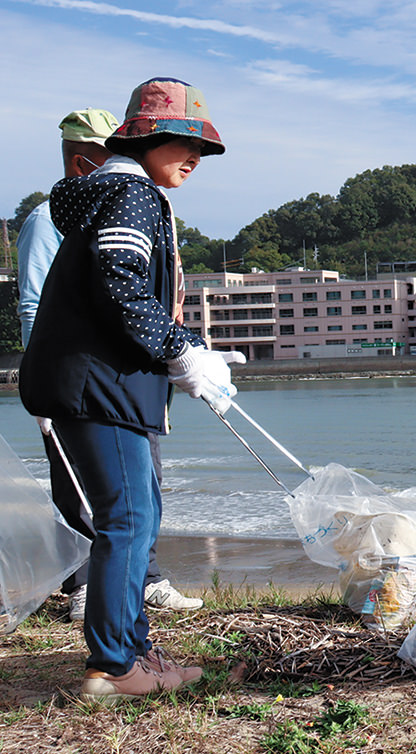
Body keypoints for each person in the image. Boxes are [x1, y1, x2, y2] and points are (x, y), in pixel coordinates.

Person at [20, 77, 243, 703]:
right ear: (142, 140)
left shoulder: (112, 193)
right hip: (101, 386)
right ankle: (116, 665)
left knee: (136, 517)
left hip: (95, 383)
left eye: (201, 148)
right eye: (178, 142)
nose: (193, 158)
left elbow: (116, 288)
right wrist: (180, 353)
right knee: (128, 520)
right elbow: (121, 283)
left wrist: (191, 349)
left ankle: (136, 652)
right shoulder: (131, 194)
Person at [17, 108, 204, 622]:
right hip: (86, 381)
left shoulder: (136, 200)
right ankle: (92, 601)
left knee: (139, 493)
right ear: (84, 162)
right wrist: (50, 393)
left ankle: (142, 583)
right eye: (114, 155)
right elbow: (42, 305)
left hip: (131, 375)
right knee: (91, 494)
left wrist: (178, 349)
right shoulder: (57, 217)